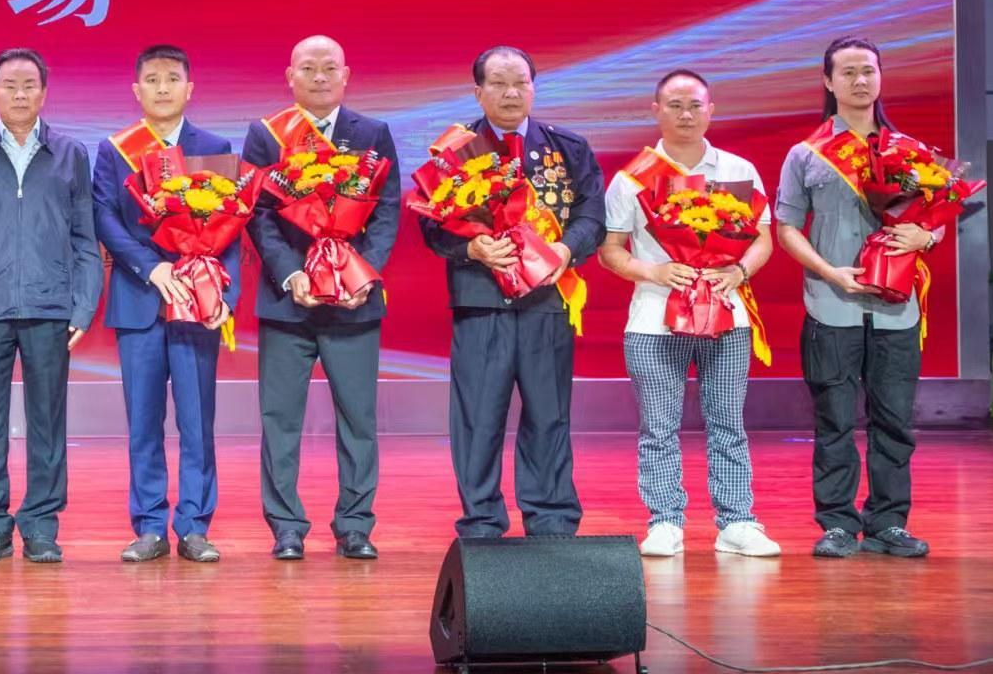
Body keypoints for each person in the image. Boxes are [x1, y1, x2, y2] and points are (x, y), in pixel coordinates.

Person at [418, 46, 604, 539]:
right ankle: (481, 518)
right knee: (478, 417)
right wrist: (471, 248)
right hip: (481, 301)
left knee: (549, 412)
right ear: (478, 92)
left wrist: (565, 250)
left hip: (547, 299)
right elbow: (431, 227)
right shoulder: (454, 151)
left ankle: (551, 516)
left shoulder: (566, 147)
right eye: (498, 83)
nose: (511, 93)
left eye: (520, 82)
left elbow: (592, 214)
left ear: (533, 89)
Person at [597, 69, 782, 558]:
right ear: (656, 110)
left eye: (695, 105)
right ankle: (664, 521)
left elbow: (764, 237)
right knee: (658, 427)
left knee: (728, 424)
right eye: (675, 105)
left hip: (727, 317)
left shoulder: (739, 169)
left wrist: (739, 271)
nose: (686, 114)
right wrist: (654, 272)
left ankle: (737, 521)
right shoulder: (631, 178)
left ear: (711, 110)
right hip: (653, 321)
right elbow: (610, 250)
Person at [775, 36, 941, 559]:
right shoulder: (806, 154)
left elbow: (936, 217)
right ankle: (838, 523)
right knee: (835, 421)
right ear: (828, 81)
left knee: (895, 421)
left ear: (881, 77)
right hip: (831, 304)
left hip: (896, 309)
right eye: (847, 72)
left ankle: (889, 521)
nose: (860, 80)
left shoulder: (910, 151)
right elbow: (786, 228)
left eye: (868, 70)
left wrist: (926, 236)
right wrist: (829, 272)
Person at [241, 35, 400, 562]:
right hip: (287, 302)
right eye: (308, 68)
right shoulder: (266, 135)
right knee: (280, 420)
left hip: (354, 303)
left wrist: (361, 274)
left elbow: (386, 211)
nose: (319, 77)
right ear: (290, 77)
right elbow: (258, 215)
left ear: (346, 75)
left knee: (358, 419)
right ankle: (286, 526)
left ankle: (355, 524)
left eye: (330, 68)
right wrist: (291, 274)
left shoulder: (372, 134)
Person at [0, 48, 103, 564]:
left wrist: (83, 306)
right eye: (9, 85)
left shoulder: (70, 154)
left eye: (29, 85)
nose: (19, 94)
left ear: (44, 93)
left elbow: (85, 239)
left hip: (50, 306)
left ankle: (41, 525)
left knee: (47, 424)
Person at [90, 44, 236, 564]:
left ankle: (194, 526)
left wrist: (224, 295)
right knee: (144, 423)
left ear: (189, 88)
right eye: (151, 79)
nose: (162, 88)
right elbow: (104, 218)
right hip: (140, 300)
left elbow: (231, 225)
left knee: (197, 422)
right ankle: (150, 525)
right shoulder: (115, 150)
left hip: (198, 302)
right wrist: (151, 268)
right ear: (137, 90)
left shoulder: (214, 147)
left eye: (172, 78)